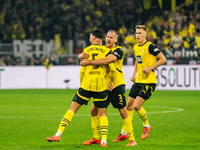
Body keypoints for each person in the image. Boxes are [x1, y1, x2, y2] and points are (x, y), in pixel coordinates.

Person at [46, 29, 116, 148]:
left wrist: (82, 83)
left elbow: (82, 71)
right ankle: (104, 141)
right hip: (100, 86)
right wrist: (111, 82)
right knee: (103, 113)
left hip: (86, 85)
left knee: (72, 109)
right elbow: (113, 69)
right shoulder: (107, 51)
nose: (89, 38)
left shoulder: (86, 51)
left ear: (94, 38)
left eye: (90, 36)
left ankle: (58, 134)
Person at [80, 30, 137, 146]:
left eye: (111, 37)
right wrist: (80, 56)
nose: (108, 39)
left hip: (117, 85)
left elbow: (106, 60)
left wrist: (88, 62)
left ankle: (132, 139)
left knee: (122, 111)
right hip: (103, 86)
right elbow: (87, 54)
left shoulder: (118, 50)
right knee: (93, 110)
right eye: (107, 37)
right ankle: (96, 137)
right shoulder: (103, 49)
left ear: (116, 40)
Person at [114, 25, 167, 141]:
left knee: (137, 106)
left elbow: (163, 59)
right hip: (139, 80)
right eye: (136, 33)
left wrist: (150, 68)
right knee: (128, 106)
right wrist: (134, 74)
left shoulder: (151, 47)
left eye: (139, 33)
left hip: (149, 81)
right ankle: (124, 132)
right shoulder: (135, 47)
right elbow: (138, 62)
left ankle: (147, 126)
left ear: (145, 35)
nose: (137, 35)